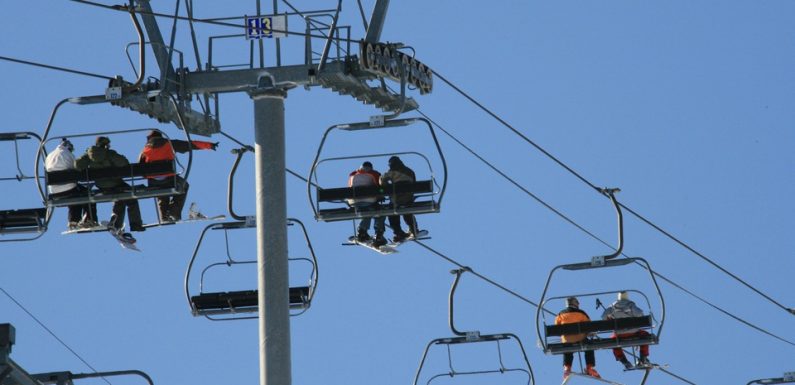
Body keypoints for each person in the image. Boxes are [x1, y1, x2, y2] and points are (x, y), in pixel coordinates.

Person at [138, 130, 217, 222]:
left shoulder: (144, 151)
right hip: (169, 179)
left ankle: (164, 217)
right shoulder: (169, 144)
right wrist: (209, 145)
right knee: (184, 185)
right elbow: (189, 145)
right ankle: (173, 213)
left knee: (161, 193)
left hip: (153, 182)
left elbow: (141, 169)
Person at [75, 136, 144, 232]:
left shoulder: (88, 156)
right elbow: (124, 163)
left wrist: (87, 156)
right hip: (116, 184)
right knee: (131, 198)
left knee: (120, 200)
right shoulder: (110, 154)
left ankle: (116, 225)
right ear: (106, 144)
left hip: (101, 186)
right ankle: (135, 224)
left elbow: (77, 165)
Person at [45, 138, 98, 230]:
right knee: (86, 193)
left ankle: (73, 221)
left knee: (75, 196)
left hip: (54, 191)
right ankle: (90, 219)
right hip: (68, 187)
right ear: (68, 147)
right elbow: (76, 170)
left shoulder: (49, 156)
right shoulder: (68, 154)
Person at [601, 291, 651, 369]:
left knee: (613, 342)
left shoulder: (612, 307)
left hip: (619, 334)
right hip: (634, 332)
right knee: (646, 336)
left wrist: (610, 318)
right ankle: (643, 358)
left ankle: (624, 361)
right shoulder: (630, 305)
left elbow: (603, 316)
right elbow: (640, 314)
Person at [555, 296, 601, 379]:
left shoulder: (560, 314)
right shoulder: (581, 313)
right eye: (577, 302)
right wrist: (590, 333)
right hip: (580, 339)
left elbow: (557, 328)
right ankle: (589, 367)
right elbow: (589, 326)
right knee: (589, 347)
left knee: (567, 350)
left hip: (567, 340)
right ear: (575, 303)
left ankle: (567, 368)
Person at [379, 156, 419, 242]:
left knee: (392, 212)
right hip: (409, 198)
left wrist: (386, 187)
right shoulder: (410, 171)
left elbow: (382, 183)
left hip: (396, 199)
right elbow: (414, 184)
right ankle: (413, 229)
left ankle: (398, 232)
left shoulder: (391, 172)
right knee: (406, 210)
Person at [348, 161, 387, 247]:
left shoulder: (353, 175)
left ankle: (362, 232)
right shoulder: (374, 174)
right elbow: (379, 187)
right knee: (381, 212)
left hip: (354, 202)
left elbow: (350, 188)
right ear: (371, 167)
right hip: (369, 200)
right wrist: (381, 195)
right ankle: (378, 234)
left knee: (366, 212)